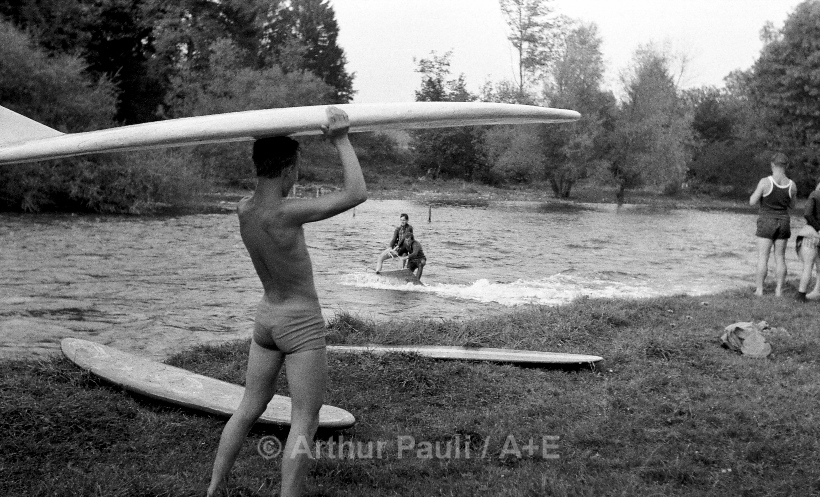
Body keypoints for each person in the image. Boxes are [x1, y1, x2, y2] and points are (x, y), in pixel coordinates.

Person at [207, 107, 367, 497]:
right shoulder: (288, 212)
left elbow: (265, 184)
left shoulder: (244, 210)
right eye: (296, 169)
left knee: (248, 406)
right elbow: (356, 193)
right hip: (299, 323)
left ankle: (214, 488)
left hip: (266, 319)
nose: (297, 177)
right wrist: (341, 139)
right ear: (286, 171)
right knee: (304, 419)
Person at [749, 152, 796, 297]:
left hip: (766, 221)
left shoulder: (765, 182)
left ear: (772, 165)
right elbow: (793, 206)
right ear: (786, 166)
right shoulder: (791, 185)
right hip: (783, 221)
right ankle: (779, 290)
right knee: (780, 257)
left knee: (763, 256)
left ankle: (760, 290)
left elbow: (752, 201)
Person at [796, 181, 820, 301]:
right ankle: (817, 291)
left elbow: (807, 214)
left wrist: (818, 229)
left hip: (812, 233)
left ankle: (801, 294)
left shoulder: (815, 194)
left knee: (808, 265)